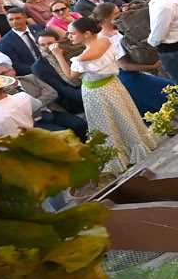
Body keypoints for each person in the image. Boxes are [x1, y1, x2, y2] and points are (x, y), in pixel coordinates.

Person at [45, 17, 159, 171]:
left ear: (86, 34)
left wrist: (58, 55)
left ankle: (118, 156)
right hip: (113, 84)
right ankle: (136, 145)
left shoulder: (81, 59)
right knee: (124, 115)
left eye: (72, 33)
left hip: (96, 92)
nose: (69, 36)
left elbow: (70, 76)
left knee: (105, 125)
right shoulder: (105, 40)